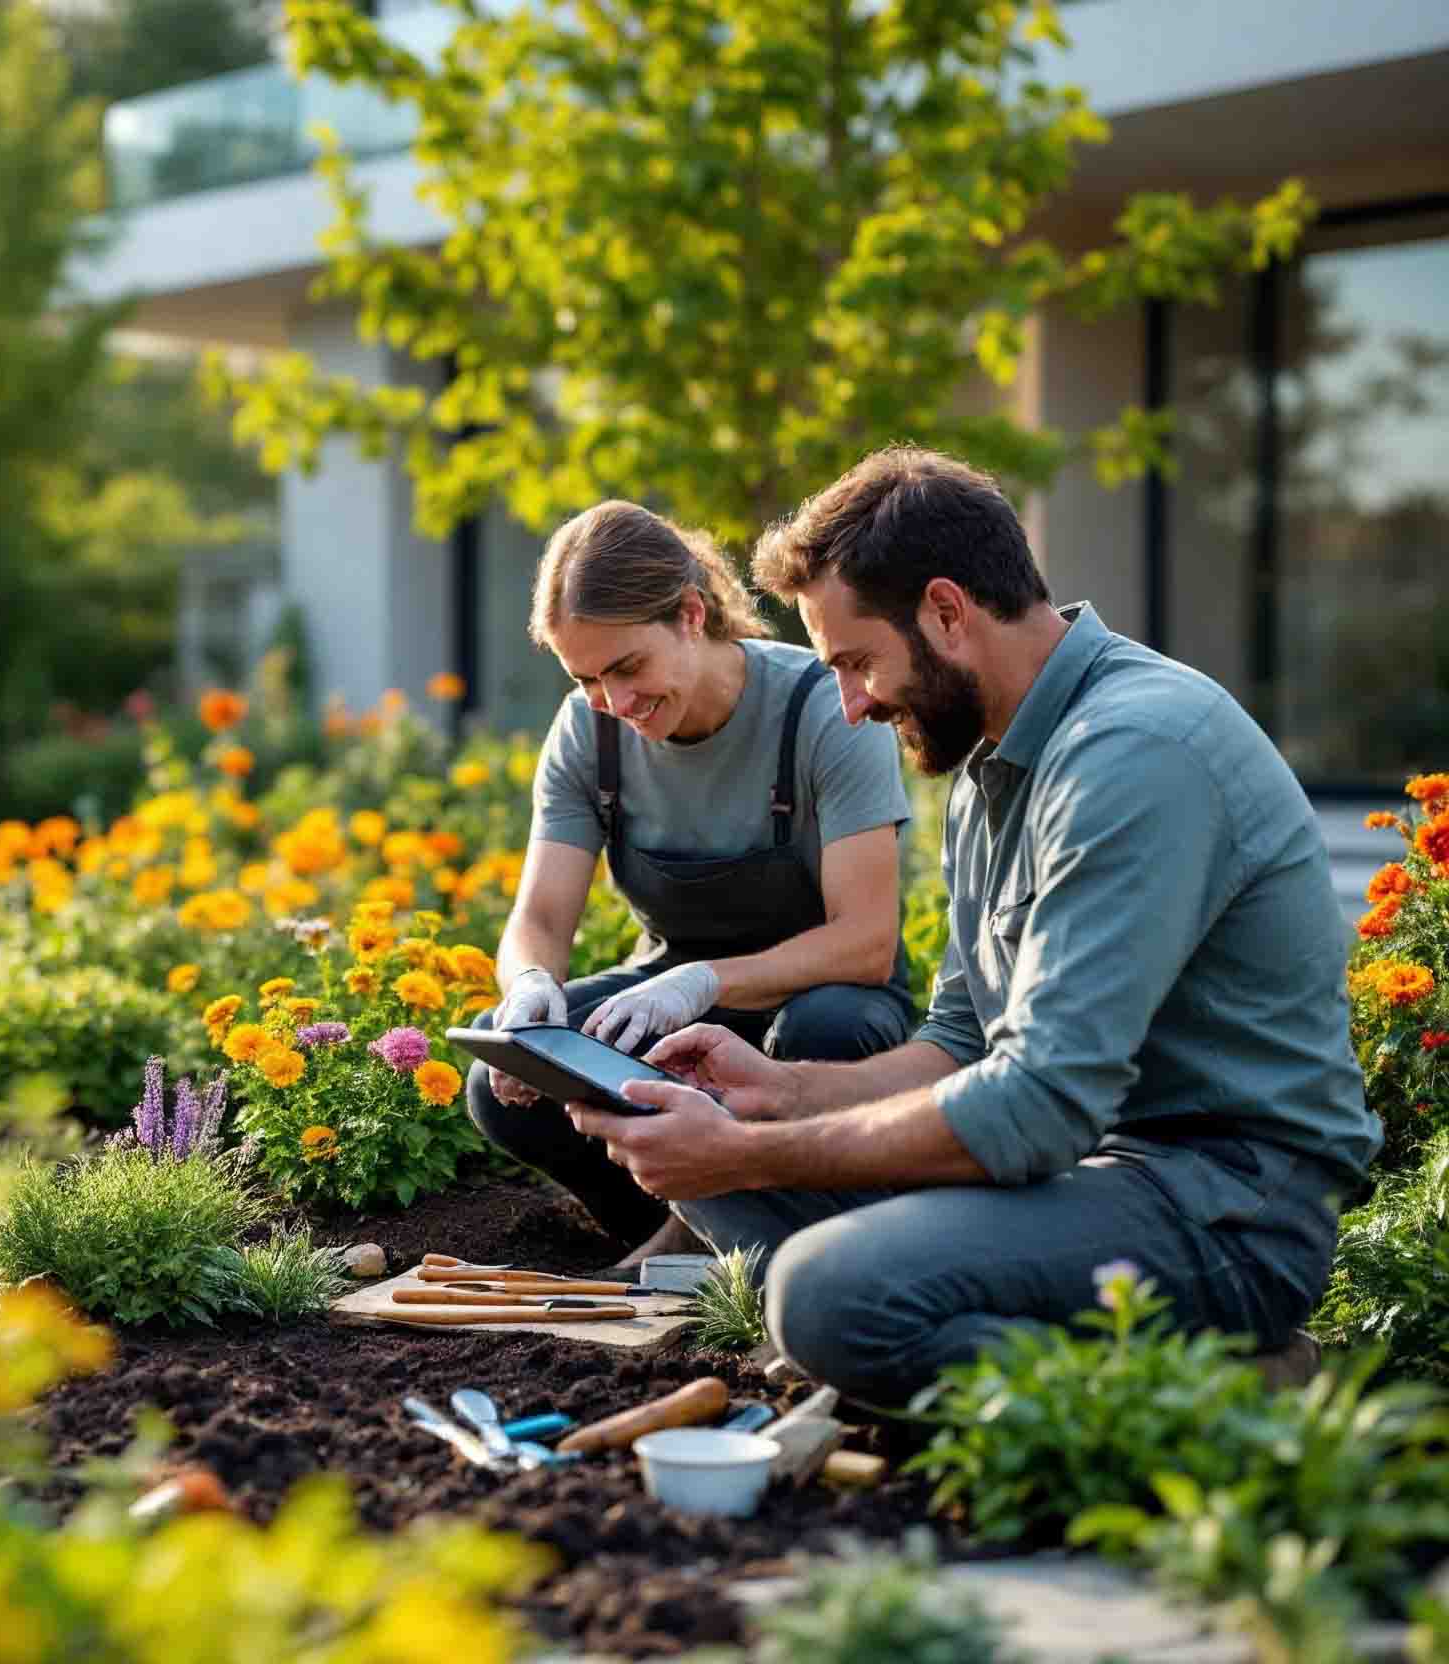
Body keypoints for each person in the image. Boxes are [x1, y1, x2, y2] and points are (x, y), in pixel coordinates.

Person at [563, 447, 1379, 1407]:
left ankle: (1210, 1391)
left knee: (821, 1288)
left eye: (858, 662)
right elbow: (958, 1043)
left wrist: (756, 1148)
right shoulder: (992, 769)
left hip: (1224, 1207)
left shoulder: (1132, 754)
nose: (853, 704)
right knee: (698, 1148)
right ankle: (931, 1340)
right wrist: (777, 1093)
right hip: (1090, 1179)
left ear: (947, 612)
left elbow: (1037, 1106)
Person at [465, 499, 920, 1264]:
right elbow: (540, 914)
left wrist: (701, 983)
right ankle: (669, 1243)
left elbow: (866, 944)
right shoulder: (589, 735)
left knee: (824, 1030)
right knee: (500, 1079)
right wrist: (531, 984)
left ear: (690, 614)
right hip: (666, 1003)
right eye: (586, 680)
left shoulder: (820, 708)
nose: (615, 703)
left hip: (822, 1000)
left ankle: (776, 1243)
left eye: (627, 668)